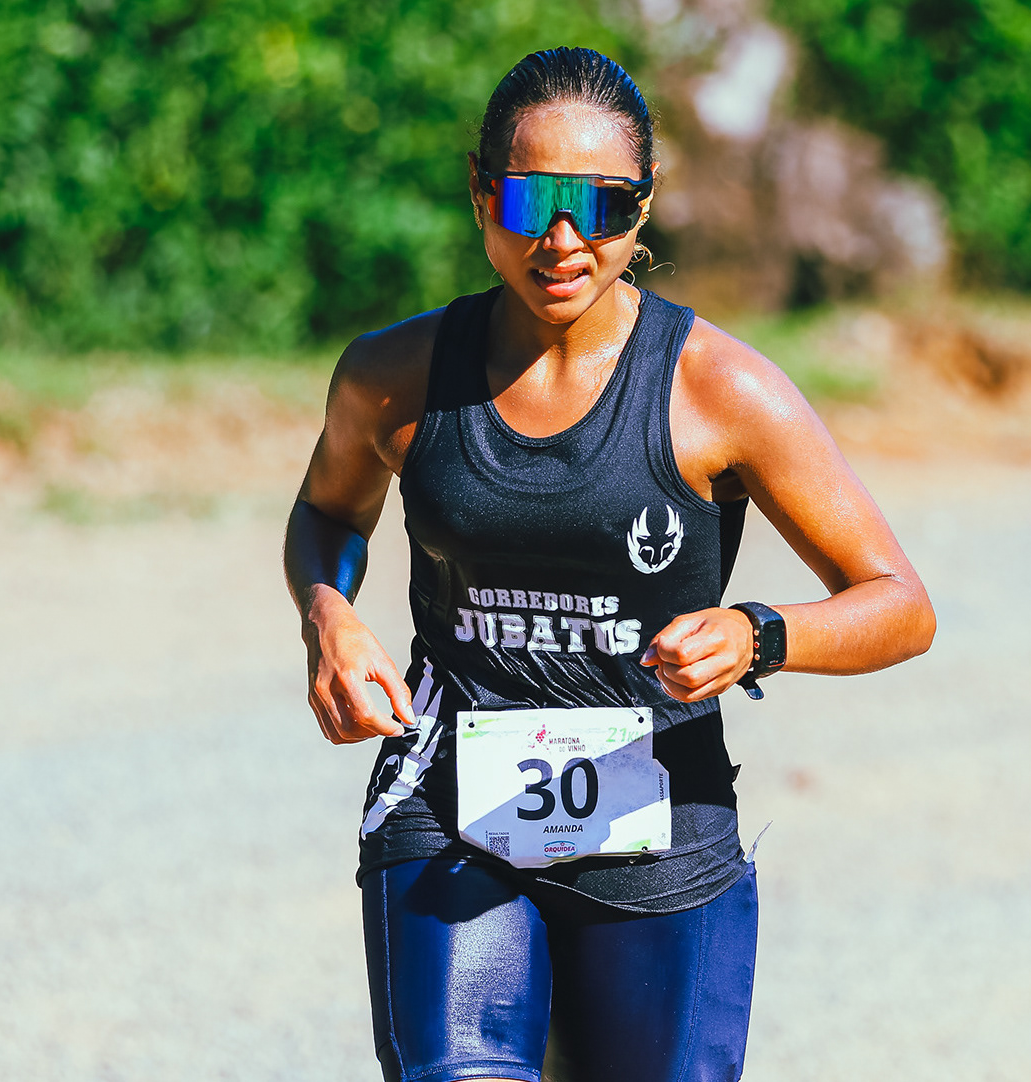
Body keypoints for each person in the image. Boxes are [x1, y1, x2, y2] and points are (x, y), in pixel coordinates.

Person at [284, 46, 934, 1082]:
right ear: (479, 191)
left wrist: (759, 635)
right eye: (530, 200)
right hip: (448, 805)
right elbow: (326, 511)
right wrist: (330, 615)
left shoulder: (721, 390)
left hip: (660, 830)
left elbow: (899, 604)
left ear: (647, 203)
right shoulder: (393, 377)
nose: (563, 239)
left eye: (604, 205)